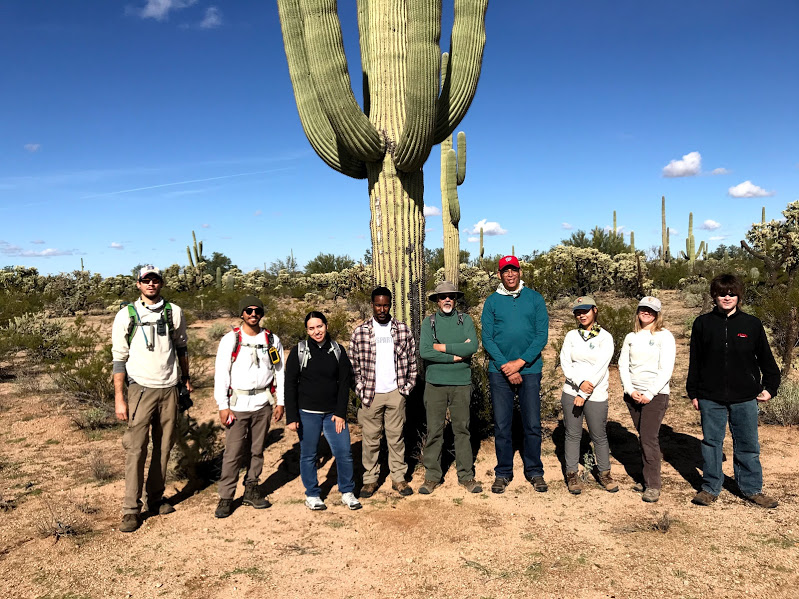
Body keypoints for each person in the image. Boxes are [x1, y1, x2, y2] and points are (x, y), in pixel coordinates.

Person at [687, 273, 781, 508]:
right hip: (710, 396)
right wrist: (694, 392)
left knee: (748, 443)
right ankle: (710, 487)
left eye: (731, 293)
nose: (727, 297)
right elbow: (695, 361)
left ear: (739, 296)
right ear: (714, 296)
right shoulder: (702, 324)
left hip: (745, 396)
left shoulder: (751, 324)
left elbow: (767, 360)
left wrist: (771, 387)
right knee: (711, 443)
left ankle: (751, 489)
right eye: (721, 293)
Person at [112, 265, 191, 533]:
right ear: (138, 284)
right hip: (140, 389)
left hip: (169, 387)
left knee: (164, 446)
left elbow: (182, 347)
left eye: (155, 280)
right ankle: (131, 510)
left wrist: (185, 378)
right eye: (146, 280)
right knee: (136, 450)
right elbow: (118, 359)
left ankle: (155, 498)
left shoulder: (174, 312)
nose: (151, 284)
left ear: (161, 284)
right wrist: (119, 399)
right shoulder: (126, 314)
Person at [481, 255, 549, 494]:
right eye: (505, 271)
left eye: (514, 270)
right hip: (499, 372)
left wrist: (519, 363)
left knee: (531, 423)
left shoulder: (535, 299)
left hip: (530, 369)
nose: (510, 275)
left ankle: (535, 471)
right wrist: (505, 366)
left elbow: (542, 335)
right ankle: (503, 472)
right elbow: (487, 338)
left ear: (520, 272)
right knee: (502, 424)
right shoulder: (492, 302)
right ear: (499, 275)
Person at [213, 296, 286, 518]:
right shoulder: (230, 340)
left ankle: (251, 489)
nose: (253, 314)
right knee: (233, 452)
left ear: (261, 314)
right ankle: (226, 496)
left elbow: (279, 372)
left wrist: (280, 401)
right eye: (249, 310)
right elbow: (221, 373)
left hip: (262, 404)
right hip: (237, 405)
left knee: (257, 450)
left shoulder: (272, 340)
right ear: (242, 313)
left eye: (257, 311)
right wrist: (222, 406)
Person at [284, 311, 361, 511]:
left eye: (320, 326)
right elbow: (290, 384)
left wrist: (340, 412)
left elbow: (344, 383)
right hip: (307, 413)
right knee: (309, 454)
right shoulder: (299, 351)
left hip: (333, 414)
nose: (317, 331)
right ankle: (312, 494)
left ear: (326, 325)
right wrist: (291, 416)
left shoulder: (337, 350)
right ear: (307, 330)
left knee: (344, 452)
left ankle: (347, 491)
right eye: (312, 328)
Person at [350, 287, 418, 498]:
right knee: (370, 439)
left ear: (390, 305)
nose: (382, 309)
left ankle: (399, 478)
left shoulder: (402, 330)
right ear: (372, 305)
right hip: (371, 393)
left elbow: (412, 361)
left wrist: (405, 389)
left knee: (396, 438)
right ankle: (370, 480)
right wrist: (360, 389)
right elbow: (353, 365)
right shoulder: (360, 331)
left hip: (395, 392)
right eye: (378, 305)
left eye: (385, 305)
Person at [418, 281, 482, 494]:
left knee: (462, 430)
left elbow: (472, 346)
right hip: (435, 383)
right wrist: (456, 356)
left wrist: (442, 348)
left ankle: (466, 475)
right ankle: (432, 476)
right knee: (435, 429)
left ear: (456, 299)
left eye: (451, 296)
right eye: (443, 296)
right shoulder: (429, 323)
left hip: (461, 383)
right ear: (437, 300)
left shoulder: (465, 320)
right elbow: (425, 351)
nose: (447, 300)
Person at [618, 296, 676, 503]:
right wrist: (630, 389)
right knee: (642, 436)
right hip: (633, 395)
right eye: (643, 309)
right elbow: (623, 364)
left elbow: (666, 368)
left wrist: (649, 393)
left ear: (657, 314)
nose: (646, 313)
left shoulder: (664, 336)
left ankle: (653, 485)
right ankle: (646, 478)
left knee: (648, 438)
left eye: (651, 310)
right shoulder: (631, 336)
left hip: (656, 395)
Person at [559, 296, 618, 495]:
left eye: (585, 310)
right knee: (572, 434)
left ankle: (604, 473)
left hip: (596, 393)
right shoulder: (571, 336)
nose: (582, 315)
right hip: (571, 391)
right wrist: (578, 384)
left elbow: (601, 367)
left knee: (598, 435)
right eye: (578, 312)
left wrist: (584, 391)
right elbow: (566, 363)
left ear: (595, 310)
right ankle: (572, 474)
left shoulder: (605, 337)